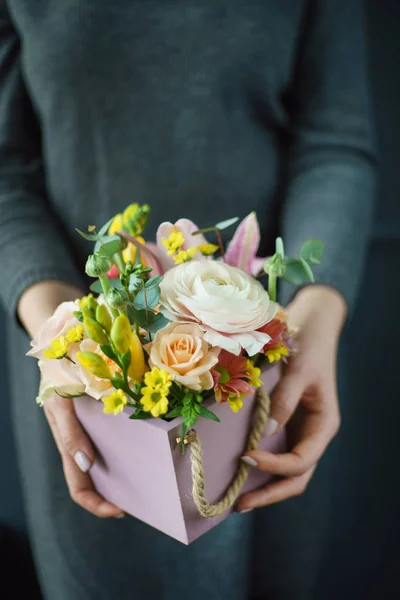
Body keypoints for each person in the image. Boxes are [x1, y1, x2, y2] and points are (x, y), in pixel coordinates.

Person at [0, 1, 376, 599]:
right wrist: (62, 330)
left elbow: (334, 141)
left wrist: (317, 308)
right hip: (87, 382)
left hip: (283, 357)